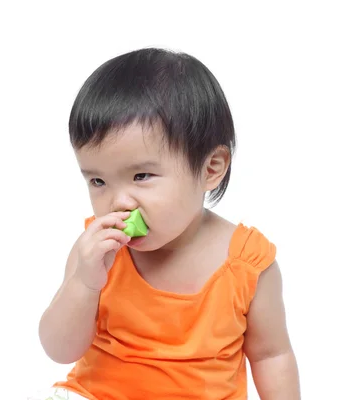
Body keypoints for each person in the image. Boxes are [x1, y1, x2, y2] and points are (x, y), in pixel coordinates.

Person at [34, 48, 300, 400]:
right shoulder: (96, 252)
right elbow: (59, 350)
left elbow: (271, 355)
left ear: (210, 169)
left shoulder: (248, 265)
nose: (118, 201)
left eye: (141, 175)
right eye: (97, 181)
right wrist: (84, 282)